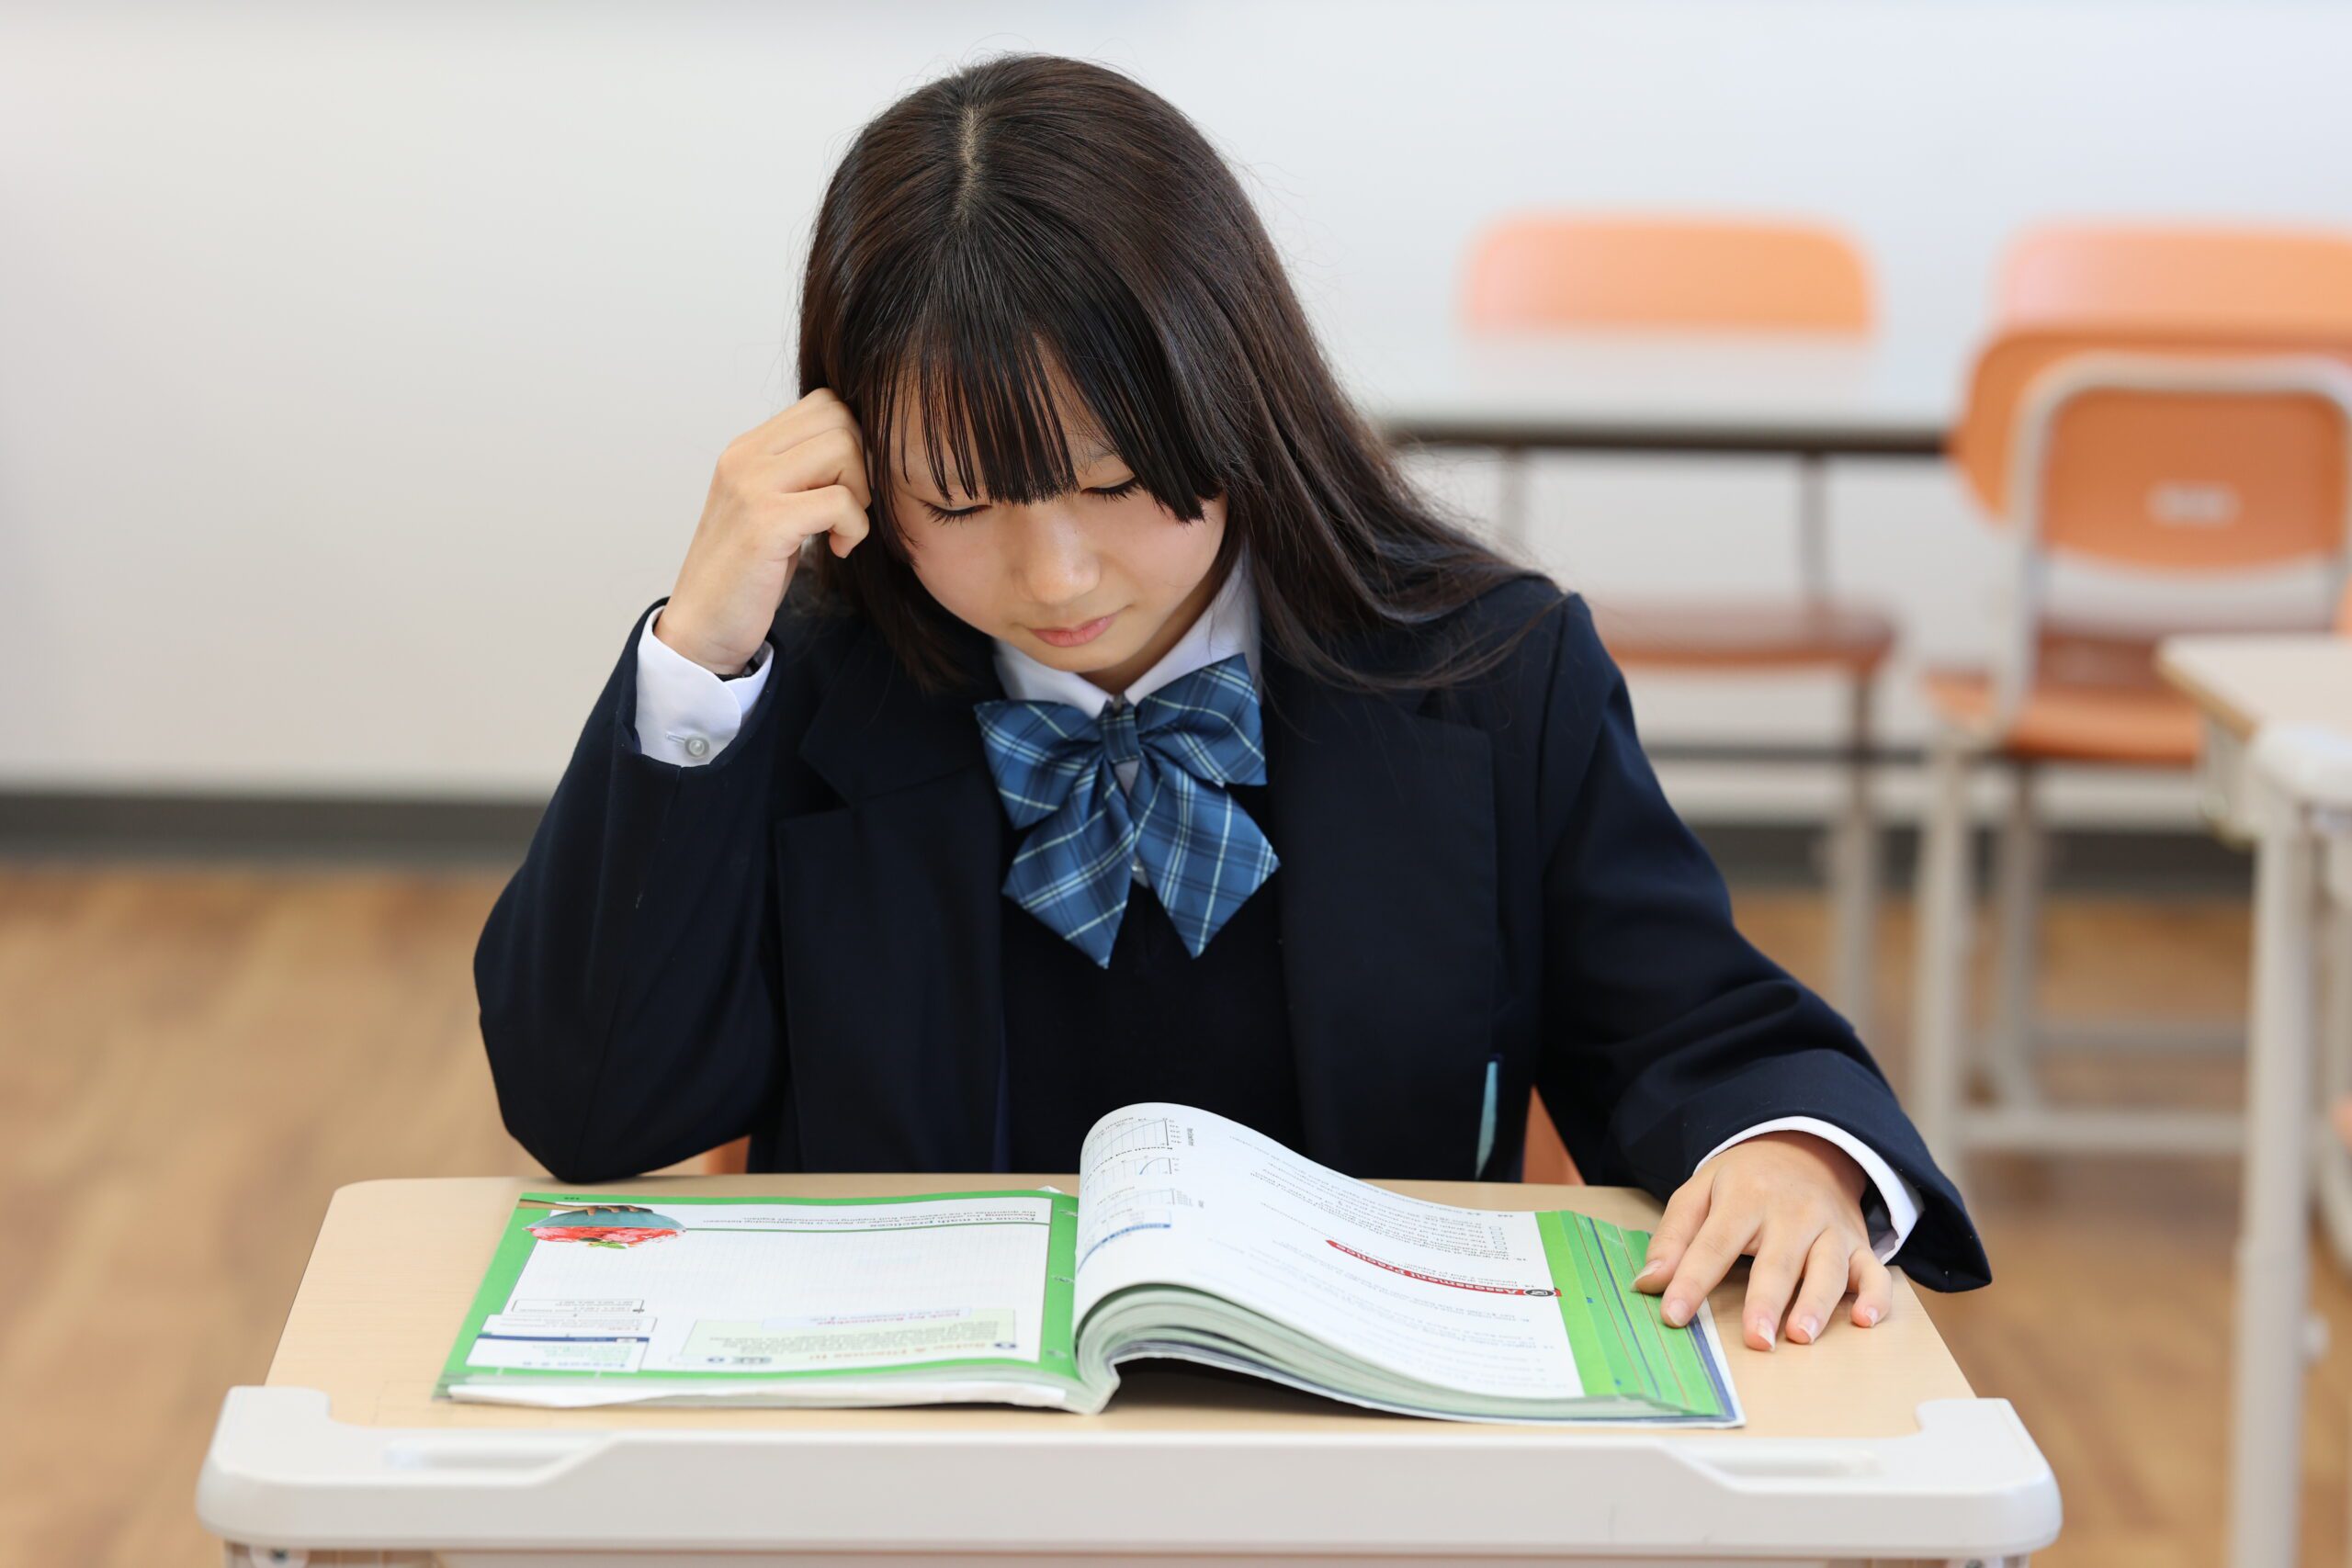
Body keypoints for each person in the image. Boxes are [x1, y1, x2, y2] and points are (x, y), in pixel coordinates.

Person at [475, 52, 1988, 1357]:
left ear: (1234, 395)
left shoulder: (1489, 673)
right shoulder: (797, 688)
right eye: (963, 502)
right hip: (927, 1456)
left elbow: (1696, 1026)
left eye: (1115, 482)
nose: (1056, 573)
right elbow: (590, 1110)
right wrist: (697, 655)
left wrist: (1790, 1153)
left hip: (1365, 1460)